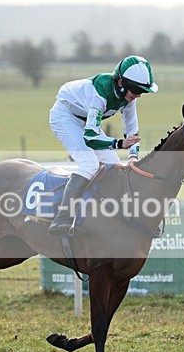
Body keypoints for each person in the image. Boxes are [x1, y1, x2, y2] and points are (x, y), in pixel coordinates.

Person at [48, 55, 158, 234]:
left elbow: (132, 130)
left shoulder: (128, 98)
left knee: (114, 166)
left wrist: (132, 156)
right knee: (89, 164)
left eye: (142, 92)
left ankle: (106, 214)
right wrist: (119, 143)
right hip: (65, 117)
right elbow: (90, 138)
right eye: (136, 91)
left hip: (86, 120)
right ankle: (62, 218)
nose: (138, 95)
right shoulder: (100, 93)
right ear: (121, 83)